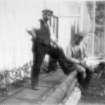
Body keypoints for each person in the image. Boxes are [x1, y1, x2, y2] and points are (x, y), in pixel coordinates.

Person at [27, 9, 58, 89]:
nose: (48, 16)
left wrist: (56, 43)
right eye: (46, 15)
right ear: (43, 15)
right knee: (37, 65)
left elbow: (51, 36)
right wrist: (33, 34)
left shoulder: (48, 25)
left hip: (45, 46)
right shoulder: (38, 22)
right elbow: (28, 28)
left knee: (56, 54)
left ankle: (51, 69)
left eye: (49, 15)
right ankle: (34, 84)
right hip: (38, 47)